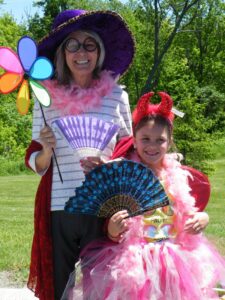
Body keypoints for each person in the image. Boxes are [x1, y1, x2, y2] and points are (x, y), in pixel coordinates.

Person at [65, 91, 225, 299]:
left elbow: (187, 211)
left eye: (160, 140)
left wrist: (202, 218)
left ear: (170, 141)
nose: (152, 146)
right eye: (145, 138)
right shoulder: (123, 175)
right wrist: (113, 230)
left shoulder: (178, 175)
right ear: (135, 139)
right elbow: (109, 224)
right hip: (134, 261)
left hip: (176, 259)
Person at [25, 9, 135, 300]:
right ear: (62, 53)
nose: (81, 52)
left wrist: (110, 164)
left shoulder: (117, 96)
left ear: (99, 51)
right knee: (59, 284)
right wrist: (45, 151)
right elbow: (34, 159)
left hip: (103, 205)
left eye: (90, 44)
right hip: (59, 206)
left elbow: (130, 150)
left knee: (101, 283)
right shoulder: (45, 99)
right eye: (72, 44)